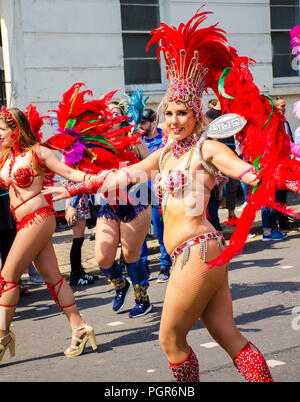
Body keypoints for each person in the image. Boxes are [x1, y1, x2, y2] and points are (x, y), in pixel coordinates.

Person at [44, 9, 300, 382]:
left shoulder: (207, 149)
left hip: (198, 249)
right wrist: (74, 186)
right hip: (192, 252)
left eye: (183, 113)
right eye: (170, 113)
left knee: (170, 340)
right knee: (227, 335)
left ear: (197, 116)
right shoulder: (164, 153)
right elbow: (122, 175)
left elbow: (249, 172)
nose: (175, 120)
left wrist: (274, 178)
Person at [0, 106, 97, 362]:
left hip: (39, 218)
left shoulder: (38, 153)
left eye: (1, 130)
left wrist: (95, 180)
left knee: (7, 278)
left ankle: (2, 336)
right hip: (23, 223)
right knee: (53, 279)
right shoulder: (6, 156)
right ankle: (79, 328)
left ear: (15, 130)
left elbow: (69, 173)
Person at [95, 101, 153, 318]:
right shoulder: (96, 144)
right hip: (109, 203)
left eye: (116, 113)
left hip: (136, 199)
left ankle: (142, 299)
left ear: (123, 117)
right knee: (103, 258)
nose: (112, 116)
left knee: (131, 255)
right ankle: (121, 285)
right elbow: (83, 173)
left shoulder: (134, 140)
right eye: (107, 114)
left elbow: (151, 168)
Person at [138, 108, 172, 283]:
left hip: (159, 192)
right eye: (139, 122)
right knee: (140, 234)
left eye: (144, 122)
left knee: (161, 232)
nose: (141, 125)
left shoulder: (165, 139)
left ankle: (166, 265)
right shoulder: (137, 141)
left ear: (153, 122)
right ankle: (143, 267)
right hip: (141, 192)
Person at [65, 193, 97, 285]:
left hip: (80, 201)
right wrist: (73, 205)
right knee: (77, 240)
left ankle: (79, 272)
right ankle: (75, 275)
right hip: (75, 203)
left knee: (79, 239)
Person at [274, 96, 293, 231]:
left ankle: (284, 221)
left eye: (285, 106)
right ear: (275, 108)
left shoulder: (285, 122)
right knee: (277, 195)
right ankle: (277, 223)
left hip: (286, 163)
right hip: (276, 164)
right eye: (282, 106)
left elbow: (289, 140)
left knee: (284, 194)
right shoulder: (272, 123)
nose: (284, 108)